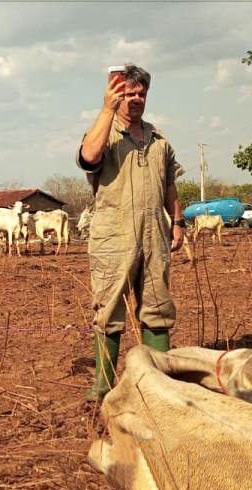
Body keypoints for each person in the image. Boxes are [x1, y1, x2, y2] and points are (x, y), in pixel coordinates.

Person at [77, 64, 185, 402]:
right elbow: (88, 157)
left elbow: (170, 186)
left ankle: (158, 385)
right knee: (109, 311)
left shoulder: (159, 141)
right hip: (113, 235)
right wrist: (107, 109)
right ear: (117, 95)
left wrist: (177, 222)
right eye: (129, 93)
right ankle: (104, 388)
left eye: (141, 93)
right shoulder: (104, 133)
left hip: (155, 234)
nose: (136, 99)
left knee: (157, 308)